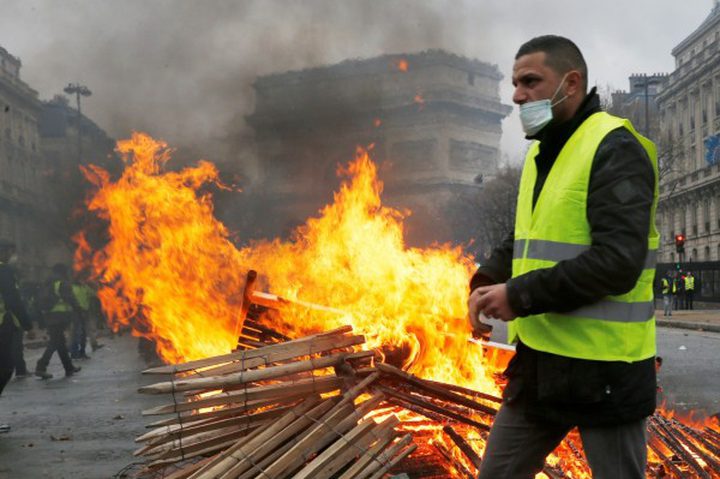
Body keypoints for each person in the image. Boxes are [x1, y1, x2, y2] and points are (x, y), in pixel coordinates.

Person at [468, 35, 657, 478]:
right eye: (515, 84)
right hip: (542, 366)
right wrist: (484, 280)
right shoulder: (541, 155)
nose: (517, 95)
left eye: (531, 81)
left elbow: (618, 261)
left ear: (571, 83)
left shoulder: (615, 147)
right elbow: (527, 238)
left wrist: (519, 296)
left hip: (607, 373)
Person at [0, 239, 33, 433]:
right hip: (2, 325)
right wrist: (28, 324)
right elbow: (13, 299)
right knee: (5, 368)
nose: (11, 256)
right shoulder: (3, 271)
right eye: (9, 251)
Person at [34, 264, 82, 379]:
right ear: (63, 272)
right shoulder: (62, 283)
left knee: (60, 343)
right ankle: (41, 367)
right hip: (59, 317)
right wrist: (79, 309)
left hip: (50, 316)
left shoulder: (48, 283)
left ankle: (69, 367)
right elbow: (70, 298)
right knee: (55, 343)